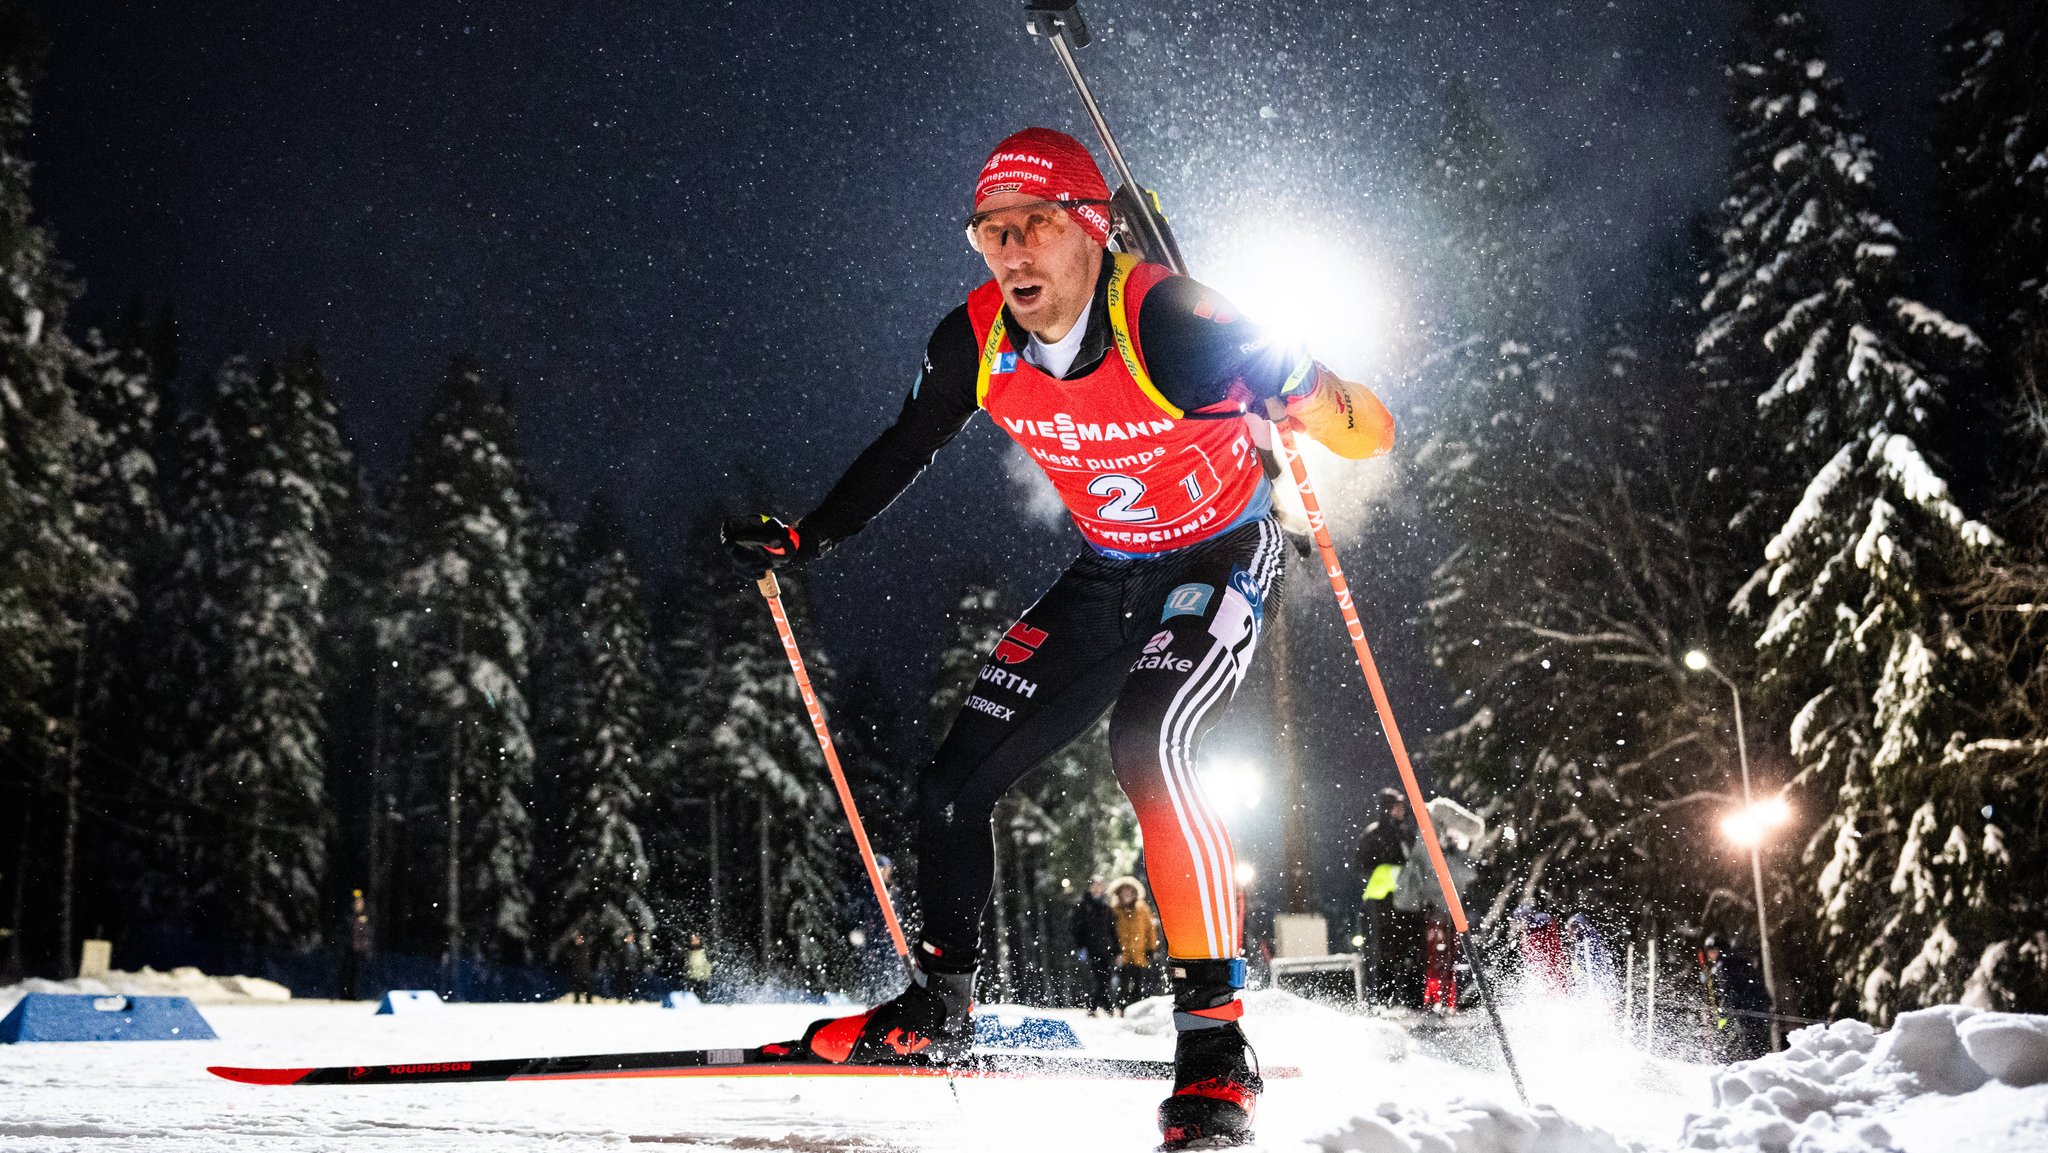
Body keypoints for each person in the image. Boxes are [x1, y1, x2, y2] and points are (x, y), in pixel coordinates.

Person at [723, 126, 1393, 1149]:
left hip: (1218, 555)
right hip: (1106, 573)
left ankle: (1214, 1045)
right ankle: (938, 1006)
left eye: (1034, 226)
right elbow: (902, 444)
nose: (1010, 252)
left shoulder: (1167, 319)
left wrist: (1303, 384)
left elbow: (1367, 430)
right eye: (990, 231)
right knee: (951, 780)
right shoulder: (977, 338)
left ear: (1090, 228)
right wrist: (806, 536)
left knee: (1148, 743)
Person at [1354, 789, 1413, 1006]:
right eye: (1397, 807)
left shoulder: (1405, 834)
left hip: (1405, 901)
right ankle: (1383, 999)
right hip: (1381, 903)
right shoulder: (1373, 835)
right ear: (1387, 809)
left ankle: (1407, 998)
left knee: (1404, 950)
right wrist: (1390, 873)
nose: (1402, 811)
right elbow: (1362, 868)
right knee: (1383, 952)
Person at [1703, 934, 1771, 1060]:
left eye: (1711, 952)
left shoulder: (1725, 965)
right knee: (1759, 1051)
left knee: (1743, 1052)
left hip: (1747, 1014)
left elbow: (1729, 993)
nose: (1709, 956)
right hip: (1759, 1011)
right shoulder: (1739, 959)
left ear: (1717, 950)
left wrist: (1723, 1018)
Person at [1108, 875, 1161, 1013]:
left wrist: (1151, 949)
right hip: (1122, 955)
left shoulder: (1142, 909)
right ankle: (1122, 1009)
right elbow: (1110, 932)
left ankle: (1137, 1010)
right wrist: (1114, 951)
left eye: (1129, 891)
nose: (1126, 894)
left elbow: (1150, 929)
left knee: (1139, 984)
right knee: (1123, 983)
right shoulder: (1114, 910)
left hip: (1140, 953)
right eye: (1123, 891)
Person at [1070, 877, 1121, 1016]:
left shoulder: (1107, 907)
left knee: (1106, 978)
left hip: (1106, 949)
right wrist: (1081, 947)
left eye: (1099, 885)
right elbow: (1076, 929)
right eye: (1094, 885)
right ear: (1090, 887)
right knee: (1097, 979)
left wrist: (1117, 951)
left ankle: (1101, 1005)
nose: (1097, 888)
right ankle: (1099, 1006)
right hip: (1091, 949)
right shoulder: (1082, 907)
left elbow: (1113, 931)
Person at [683, 933, 714, 1003]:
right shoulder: (688, 952)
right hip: (692, 977)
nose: (695, 941)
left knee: (703, 995)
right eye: (693, 940)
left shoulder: (704, 950)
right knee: (693, 996)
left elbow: (708, 963)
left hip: (703, 977)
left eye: (696, 939)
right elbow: (686, 965)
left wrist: (707, 973)